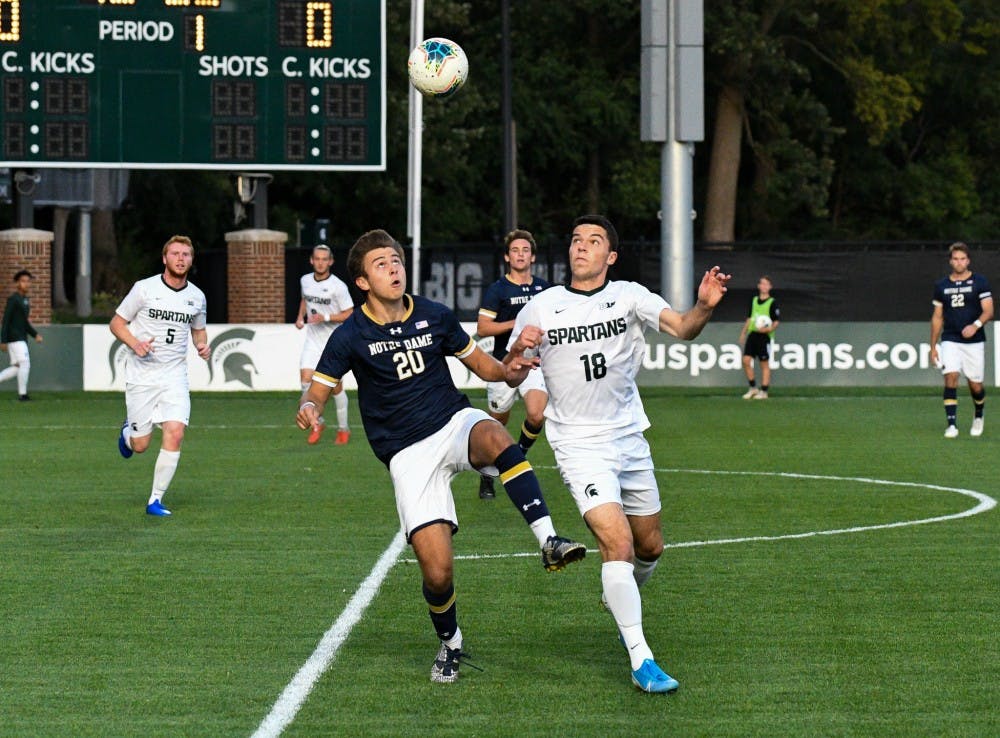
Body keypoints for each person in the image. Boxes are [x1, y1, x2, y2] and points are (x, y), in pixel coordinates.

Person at [295, 228, 586, 684]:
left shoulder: (434, 314)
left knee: (494, 436)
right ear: (363, 283)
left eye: (395, 259)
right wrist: (310, 407)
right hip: (407, 454)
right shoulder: (350, 335)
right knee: (437, 573)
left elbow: (489, 370)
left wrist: (512, 368)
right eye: (381, 264)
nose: (394, 267)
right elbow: (318, 387)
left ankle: (549, 540)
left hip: (452, 423)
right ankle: (451, 643)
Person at [508, 214, 730, 694]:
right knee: (619, 546)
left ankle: (619, 591)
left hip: (629, 438)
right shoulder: (541, 308)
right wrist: (516, 357)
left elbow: (684, 328)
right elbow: (510, 371)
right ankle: (641, 659)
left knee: (649, 548)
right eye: (575, 240)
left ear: (610, 256)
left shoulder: (630, 296)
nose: (581, 247)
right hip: (578, 445)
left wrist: (704, 306)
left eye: (593, 241)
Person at [110, 235, 211, 516]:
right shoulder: (144, 289)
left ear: (191, 260)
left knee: (176, 433)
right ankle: (128, 434)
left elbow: (198, 330)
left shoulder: (197, 297)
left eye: (186, 254)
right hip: (142, 374)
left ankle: (155, 500)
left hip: (174, 375)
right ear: (165, 258)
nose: (181, 258)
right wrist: (135, 343)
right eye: (175, 253)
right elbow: (117, 323)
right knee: (141, 445)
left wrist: (202, 344)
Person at [474, 228, 552, 499]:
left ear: (532, 257)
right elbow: (483, 328)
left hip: (533, 362)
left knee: (536, 415)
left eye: (525, 250)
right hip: (503, 364)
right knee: (496, 424)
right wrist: (518, 322)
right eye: (515, 250)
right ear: (508, 257)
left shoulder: (545, 289)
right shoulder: (498, 290)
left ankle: (516, 456)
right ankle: (486, 474)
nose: (521, 255)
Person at [930, 242, 993, 438]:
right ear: (950, 261)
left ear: (968, 261)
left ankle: (979, 414)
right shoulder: (941, 285)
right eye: (955, 259)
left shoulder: (979, 282)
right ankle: (951, 425)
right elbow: (937, 316)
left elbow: (989, 310)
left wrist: (975, 325)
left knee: (975, 384)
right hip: (950, 338)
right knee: (951, 376)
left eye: (963, 259)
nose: (959, 262)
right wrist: (933, 346)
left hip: (974, 341)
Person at [295, 244, 354, 445]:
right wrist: (300, 317)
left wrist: (326, 316)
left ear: (330, 262)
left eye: (324, 259)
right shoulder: (305, 280)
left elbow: (350, 313)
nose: (320, 262)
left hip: (334, 342)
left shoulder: (338, 287)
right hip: (313, 339)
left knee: (335, 387)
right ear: (312, 260)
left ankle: (344, 429)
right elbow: (305, 299)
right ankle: (316, 421)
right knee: (305, 379)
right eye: (317, 259)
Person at [0, 269, 43, 401]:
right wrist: (3, 340)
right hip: (15, 338)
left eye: (28, 281)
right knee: (25, 363)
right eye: (23, 281)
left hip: (21, 337)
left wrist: (34, 334)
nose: (26, 284)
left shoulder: (25, 300)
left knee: (17, 367)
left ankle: (22, 394)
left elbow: (24, 322)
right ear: (17, 283)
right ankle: (23, 395)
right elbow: (6, 320)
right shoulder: (13, 299)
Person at [738, 275, 780, 399]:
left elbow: (776, 321)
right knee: (745, 360)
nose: (764, 286)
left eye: (767, 284)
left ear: (770, 287)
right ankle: (753, 388)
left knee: (764, 364)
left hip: (765, 336)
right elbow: (750, 318)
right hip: (753, 334)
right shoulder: (754, 300)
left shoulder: (772, 302)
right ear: (759, 286)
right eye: (762, 283)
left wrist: (768, 329)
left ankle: (764, 391)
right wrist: (743, 333)